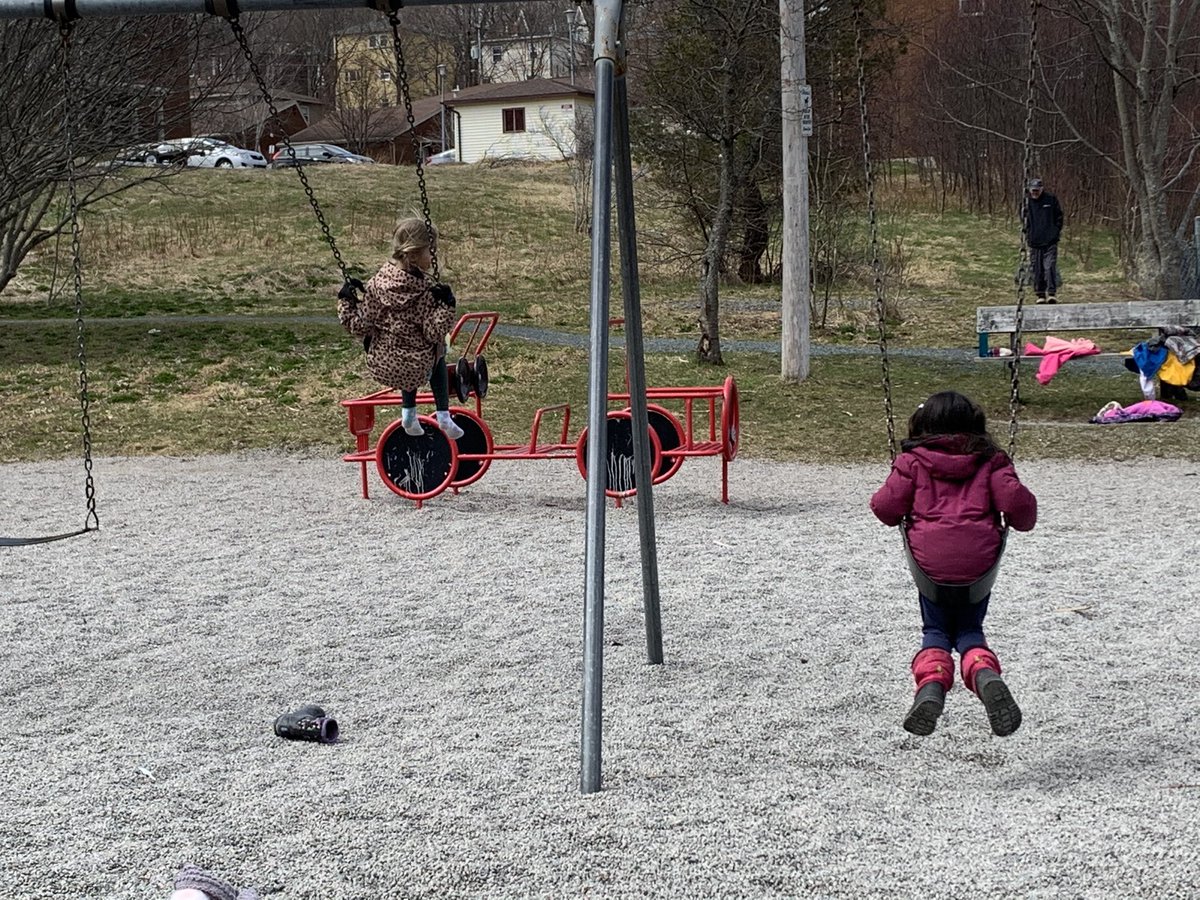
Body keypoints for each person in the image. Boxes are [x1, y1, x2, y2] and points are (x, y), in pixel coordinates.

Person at [869, 391, 1037, 738]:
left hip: (930, 564)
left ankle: (931, 683)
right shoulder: (991, 460)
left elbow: (884, 509)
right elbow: (1022, 515)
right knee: (970, 629)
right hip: (978, 565)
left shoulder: (913, 461)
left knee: (936, 630)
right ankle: (983, 673)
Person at [338, 217, 464, 440]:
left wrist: (346, 300)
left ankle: (409, 413)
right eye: (430, 250)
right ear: (414, 255)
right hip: (418, 368)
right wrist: (447, 306)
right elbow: (433, 332)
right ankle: (443, 415)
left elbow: (359, 326)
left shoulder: (376, 285)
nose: (434, 256)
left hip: (382, 365)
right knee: (437, 351)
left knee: (406, 352)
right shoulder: (424, 292)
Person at [1025, 177, 1064, 303]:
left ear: (1041, 189)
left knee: (1049, 266)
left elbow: (1059, 217)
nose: (1035, 193)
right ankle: (1040, 295)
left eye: (1037, 191)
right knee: (1037, 269)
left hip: (1050, 241)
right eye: (1033, 191)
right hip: (1035, 242)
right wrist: (1029, 234)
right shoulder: (1027, 202)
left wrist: (1055, 232)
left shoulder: (1050, 200)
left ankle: (1051, 293)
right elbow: (1024, 220)